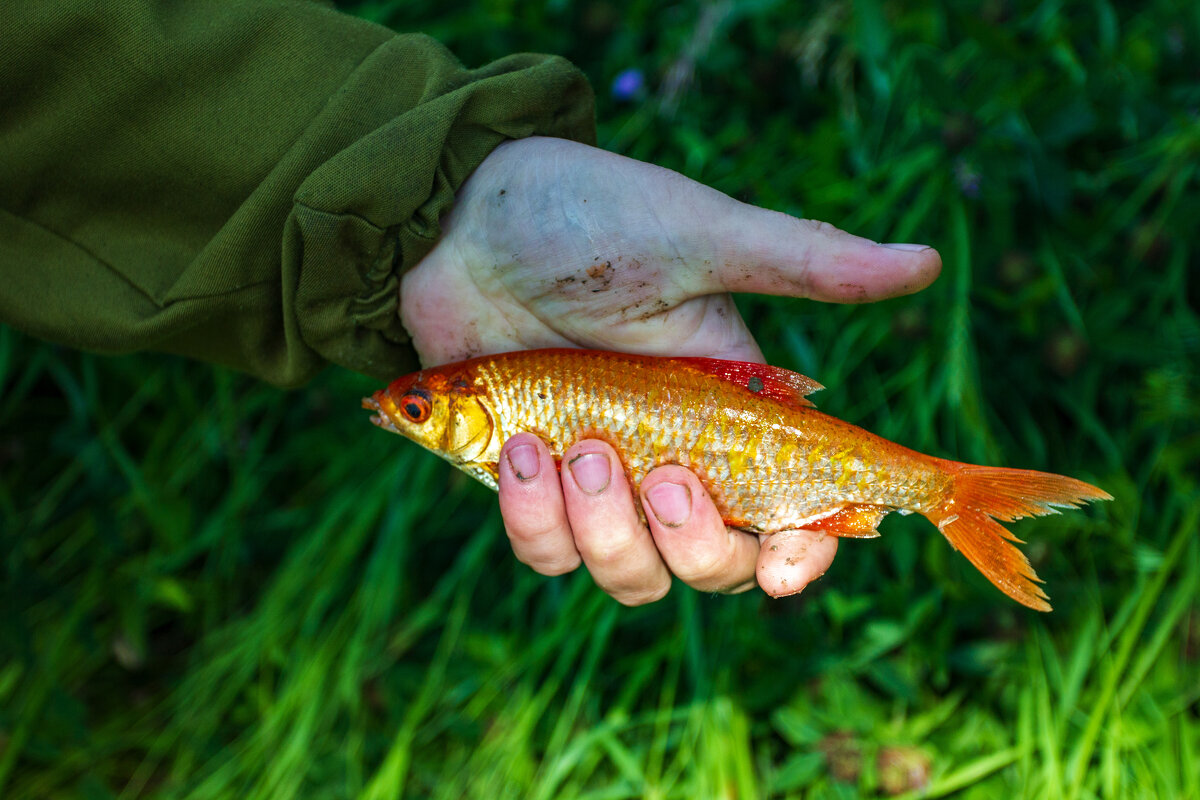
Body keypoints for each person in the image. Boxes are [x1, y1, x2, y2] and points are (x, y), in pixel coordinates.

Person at [1, 1, 941, 606]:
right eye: (414, 407)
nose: (394, 411)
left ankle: (943, 489)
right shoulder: (503, 403)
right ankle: (931, 488)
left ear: (470, 409)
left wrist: (447, 204)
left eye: (417, 408)